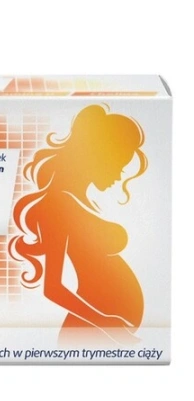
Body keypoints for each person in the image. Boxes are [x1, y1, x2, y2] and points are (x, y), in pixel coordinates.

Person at [9, 105, 148, 345]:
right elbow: (53, 288)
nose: (118, 176)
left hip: (104, 330)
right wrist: (105, 322)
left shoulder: (83, 202)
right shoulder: (57, 204)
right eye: (118, 165)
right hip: (90, 330)